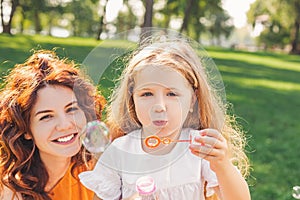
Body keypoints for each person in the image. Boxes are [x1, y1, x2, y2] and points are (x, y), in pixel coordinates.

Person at [79, 37, 251, 200]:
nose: (159, 106)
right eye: (147, 94)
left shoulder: (198, 147)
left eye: (172, 94)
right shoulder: (120, 151)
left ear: (192, 100)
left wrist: (222, 165)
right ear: (132, 99)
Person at [0, 50, 105, 200]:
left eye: (72, 109)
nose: (65, 125)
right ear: (25, 130)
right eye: (47, 117)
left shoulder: (98, 171)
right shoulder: (10, 191)